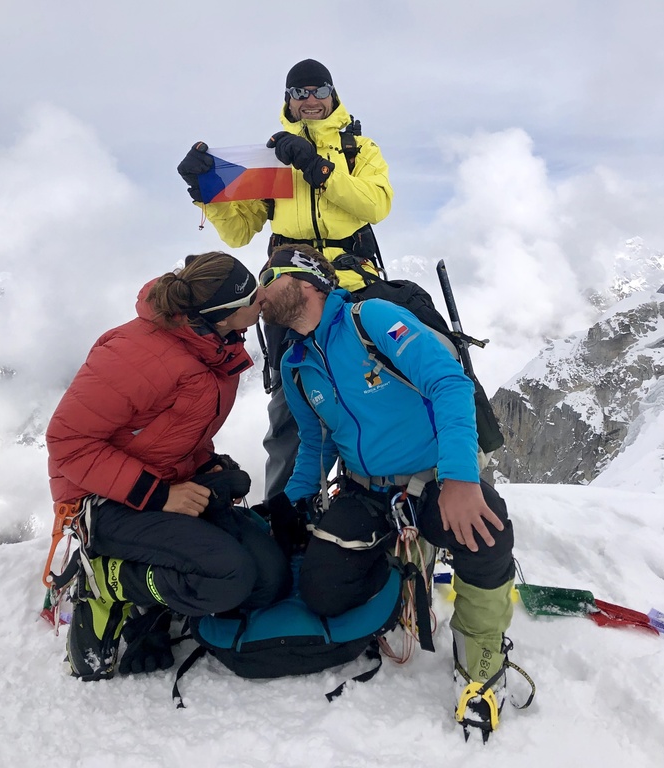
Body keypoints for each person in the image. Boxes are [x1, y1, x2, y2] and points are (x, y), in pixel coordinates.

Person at [258, 245, 518, 741]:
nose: (261, 295)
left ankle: (480, 643)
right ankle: (404, 574)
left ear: (307, 282)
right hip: (364, 491)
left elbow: (448, 382)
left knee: (485, 530)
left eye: (270, 280)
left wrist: (462, 479)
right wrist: (291, 502)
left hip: (433, 477)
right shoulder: (295, 365)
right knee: (324, 595)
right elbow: (315, 442)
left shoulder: (369, 319)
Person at [46, 252, 292, 681]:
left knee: (267, 581)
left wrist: (208, 464)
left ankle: (161, 592)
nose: (262, 301)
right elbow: (68, 441)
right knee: (228, 578)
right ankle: (106, 583)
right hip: (104, 502)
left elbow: (167, 432)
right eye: (253, 296)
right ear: (222, 314)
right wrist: (162, 495)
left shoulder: (212, 347)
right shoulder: (137, 354)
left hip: (161, 486)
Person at [177, 58, 393, 500]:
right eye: (300, 92)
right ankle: (287, 509)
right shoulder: (271, 158)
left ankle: (377, 485)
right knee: (293, 403)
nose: (310, 99)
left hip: (352, 276)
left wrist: (320, 170)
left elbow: (376, 205)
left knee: (382, 373)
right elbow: (239, 230)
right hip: (288, 280)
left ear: (333, 95)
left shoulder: (359, 150)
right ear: (288, 101)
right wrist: (206, 191)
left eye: (318, 90)